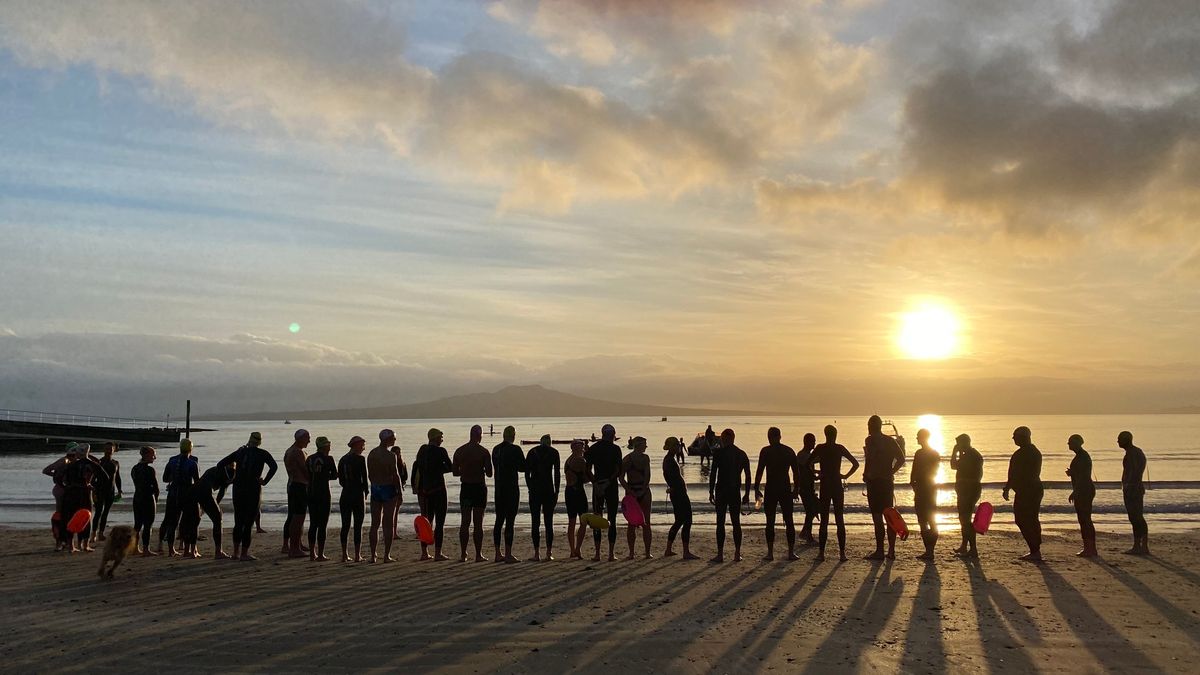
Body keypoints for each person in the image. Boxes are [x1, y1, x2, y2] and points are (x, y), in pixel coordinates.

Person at [217, 431, 279, 561]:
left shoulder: (239, 452)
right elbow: (274, 466)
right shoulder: (262, 453)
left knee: (238, 521)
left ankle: (235, 553)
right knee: (249, 522)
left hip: (238, 488)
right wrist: (265, 481)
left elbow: (220, 464)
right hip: (253, 488)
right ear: (260, 442)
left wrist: (230, 477)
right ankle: (244, 554)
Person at [807, 425, 860, 562]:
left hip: (826, 484)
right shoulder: (839, 448)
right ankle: (842, 554)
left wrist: (816, 474)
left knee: (824, 520)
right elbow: (855, 464)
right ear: (835, 435)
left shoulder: (820, 448)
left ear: (825, 434)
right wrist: (845, 475)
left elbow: (808, 463)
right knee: (839, 519)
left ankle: (821, 553)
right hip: (836, 484)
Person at [863, 415, 906, 561]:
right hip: (886, 482)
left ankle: (880, 550)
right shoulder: (890, 441)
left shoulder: (869, 440)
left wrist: (866, 473)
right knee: (889, 516)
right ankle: (891, 551)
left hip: (874, 482)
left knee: (877, 517)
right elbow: (901, 459)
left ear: (870, 426)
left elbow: (869, 459)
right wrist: (891, 471)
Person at [754, 427, 800, 561]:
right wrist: (796, 489)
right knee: (779, 520)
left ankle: (774, 553)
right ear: (779, 436)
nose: (771, 439)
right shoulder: (786, 451)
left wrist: (756, 488)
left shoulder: (768, 451)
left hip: (775, 488)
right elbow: (796, 473)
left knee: (778, 521)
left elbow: (759, 471)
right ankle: (781, 552)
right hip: (780, 488)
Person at [708, 428, 750, 563]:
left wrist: (711, 491)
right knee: (735, 522)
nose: (722, 441)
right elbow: (748, 476)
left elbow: (713, 474)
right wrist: (747, 493)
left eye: (723, 439)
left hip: (722, 491)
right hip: (734, 491)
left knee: (721, 523)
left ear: (726, 439)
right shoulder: (741, 454)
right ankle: (736, 554)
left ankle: (721, 554)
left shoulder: (719, 453)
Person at [452, 425, 493, 562]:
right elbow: (489, 473)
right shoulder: (483, 452)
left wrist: (466, 470)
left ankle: (463, 554)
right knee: (478, 522)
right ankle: (478, 554)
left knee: (465, 522)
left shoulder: (459, 451)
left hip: (466, 489)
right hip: (479, 489)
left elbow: (455, 472)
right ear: (479, 435)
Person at [1003, 426, 1043, 562]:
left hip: (1029, 490)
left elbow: (1021, 473)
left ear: (1023, 437)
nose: (1013, 439)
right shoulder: (1024, 452)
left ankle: (1035, 549)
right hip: (1027, 490)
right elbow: (1013, 473)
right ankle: (1035, 548)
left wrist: (1010, 486)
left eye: (1015, 436)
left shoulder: (1029, 453)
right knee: (1028, 519)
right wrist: (1008, 487)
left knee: (1025, 519)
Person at [60, 443, 108, 553]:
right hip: (85, 493)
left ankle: (71, 545)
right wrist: (93, 485)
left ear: (78, 452)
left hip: (71, 493)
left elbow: (61, 478)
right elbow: (105, 478)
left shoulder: (71, 465)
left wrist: (67, 486)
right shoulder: (92, 464)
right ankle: (84, 545)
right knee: (86, 517)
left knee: (71, 518)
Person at [586, 424, 623, 562]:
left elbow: (587, 470)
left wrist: (595, 483)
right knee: (612, 519)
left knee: (597, 518)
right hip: (610, 486)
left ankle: (597, 553)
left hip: (599, 485)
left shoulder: (594, 448)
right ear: (613, 435)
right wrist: (608, 482)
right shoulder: (615, 449)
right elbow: (618, 470)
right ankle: (610, 554)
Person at [414, 428, 452, 561]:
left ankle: (424, 553)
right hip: (439, 489)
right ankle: (437, 553)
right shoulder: (441, 451)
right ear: (435, 438)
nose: (442, 440)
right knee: (439, 523)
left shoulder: (422, 450)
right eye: (441, 437)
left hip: (425, 491)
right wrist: (439, 469)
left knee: (426, 522)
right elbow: (450, 467)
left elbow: (417, 466)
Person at [491, 426, 526, 564]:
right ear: (513, 436)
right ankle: (508, 554)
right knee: (510, 521)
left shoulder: (495, 449)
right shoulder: (515, 449)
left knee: (499, 520)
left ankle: (497, 553)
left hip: (498, 488)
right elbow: (522, 467)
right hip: (511, 488)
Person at [367, 429, 402, 563]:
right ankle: (386, 555)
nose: (395, 440)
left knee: (374, 523)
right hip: (388, 488)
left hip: (376, 488)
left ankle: (372, 555)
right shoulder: (390, 455)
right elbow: (395, 475)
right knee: (388, 523)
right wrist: (399, 491)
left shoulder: (372, 454)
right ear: (387, 439)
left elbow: (370, 474)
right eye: (393, 438)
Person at [159, 439, 198, 556]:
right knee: (188, 522)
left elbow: (165, 478)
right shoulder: (192, 463)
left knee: (172, 522)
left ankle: (171, 550)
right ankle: (187, 549)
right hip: (186, 494)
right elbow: (197, 482)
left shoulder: (172, 460)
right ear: (191, 448)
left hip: (173, 493)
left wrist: (174, 477)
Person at [525, 434, 561, 561]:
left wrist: (530, 487)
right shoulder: (554, 452)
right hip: (548, 490)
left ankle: (536, 553)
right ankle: (548, 553)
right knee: (548, 522)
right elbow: (557, 473)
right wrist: (557, 491)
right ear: (550, 442)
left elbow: (526, 473)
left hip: (535, 490)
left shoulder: (532, 452)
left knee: (535, 522)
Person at [191, 460, 235, 559]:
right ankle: (218, 551)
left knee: (195, 520)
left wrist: (214, 505)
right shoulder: (230, 473)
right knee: (218, 520)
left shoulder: (215, 469)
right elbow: (222, 492)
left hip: (194, 490)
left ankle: (191, 550)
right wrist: (217, 506)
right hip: (205, 491)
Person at [619, 436, 653, 560]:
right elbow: (622, 477)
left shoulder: (634, 458)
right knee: (636, 524)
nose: (646, 446)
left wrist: (632, 491)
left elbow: (621, 478)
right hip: (637, 492)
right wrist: (634, 491)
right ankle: (640, 553)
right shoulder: (630, 459)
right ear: (638, 445)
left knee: (642, 523)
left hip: (636, 491)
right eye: (644, 444)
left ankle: (637, 553)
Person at [662, 437, 696, 559]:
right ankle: (685, 551)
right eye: (676, 445)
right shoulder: (669, 460)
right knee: (687, 521)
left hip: (677, 493)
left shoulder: (670, 459)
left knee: (679, 521)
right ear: (671, 447)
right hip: (679, 494)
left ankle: (668, 549)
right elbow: (672, 478)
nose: (678, 447)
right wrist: (674, 488)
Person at [950, 433, 983, 557]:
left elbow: (954, 465)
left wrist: (955, 452)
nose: (957, 446)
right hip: (965, 489)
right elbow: (954, 466)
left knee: (966, 519)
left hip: (969, 489)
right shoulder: (967, 455)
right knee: (963, 518)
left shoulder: (972, 455)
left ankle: (973, 548)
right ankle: (964, 545)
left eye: (958, 444)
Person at [910, 429, 940, 561]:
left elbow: (918, 470)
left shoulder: (927, 453)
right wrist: (913, 482)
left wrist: (915, 482)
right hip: (927, 487)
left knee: (926, 520)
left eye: (918, 437)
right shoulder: (929, 453)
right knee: (926, 520)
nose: (916, 438)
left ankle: (930, 550)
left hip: (926, 487)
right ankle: (929, 550)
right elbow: (914, 471)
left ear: (923, 438)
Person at [306, 436, 337, 562]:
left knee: (313, 523)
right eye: (328, 445)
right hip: (324, 492)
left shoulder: (309, 459)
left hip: (311, 492)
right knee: (322, 525)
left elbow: (306, 474)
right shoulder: (328, 459)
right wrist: (325, 475)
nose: (330, 447)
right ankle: (320, 554)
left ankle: (312, 553)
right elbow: (334, 475)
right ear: (324, 446)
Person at [338, 436, 369, 562]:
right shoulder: (360, 459)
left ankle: (344, 554)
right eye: (362, 446)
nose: (363, 448)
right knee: (358, 525)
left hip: (345, 493)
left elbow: (341, 480)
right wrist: (366, 492)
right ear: (356, 446)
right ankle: (357, 555)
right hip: (357, 494)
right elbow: (364, 478)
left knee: (345, 525)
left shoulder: (342, 459)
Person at [282, 429, 312, 558]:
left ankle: (295, 544)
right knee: (298, 518)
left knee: (294, 516)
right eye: (307, 438)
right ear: (300, 438)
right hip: (299, 485)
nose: (309, 441)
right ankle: (294, 548)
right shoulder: (298, 452)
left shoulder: (289, 450)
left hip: (292, 484)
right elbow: (305, 471)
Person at [1066, 434, 1097, 558]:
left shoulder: (1082, 457)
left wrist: (1076, 491)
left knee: (1085, 519)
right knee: (1084, 519)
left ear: (1077, 443)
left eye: (1070, 442)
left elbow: (1083, 477)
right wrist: (1072, 473)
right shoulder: (1081, 456)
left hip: (1084, 490)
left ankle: (1090, 548)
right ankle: (1089, 547)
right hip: (1084, 489)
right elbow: (1080, 473)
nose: (1068, 444)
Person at [1119, 431, 1149, 555]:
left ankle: (1139, 546)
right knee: (1137, 517)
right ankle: (1142, 546)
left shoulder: (1133, 453)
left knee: (1135, 517)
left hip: (1133, 489)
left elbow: (1135, 471)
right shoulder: (1135, 452)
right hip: (1134, 488)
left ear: (1126, 440)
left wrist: (1128, 485)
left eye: (1120, 439)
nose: (1118, 442)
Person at [43, 444, 77, 551]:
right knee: (61, 515)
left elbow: (47, 471)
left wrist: (57, 476)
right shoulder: (64, 461)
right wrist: (58, 476)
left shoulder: (71, 462)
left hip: (65, 490)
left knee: (67, 515)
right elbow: (46, 470)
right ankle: (59, 541)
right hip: (62, 490)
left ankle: (65, 540)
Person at [563, 440, 592, 559]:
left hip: (569, 491)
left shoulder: (568, 460)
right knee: (583, 521)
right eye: (583, 447)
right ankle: (577, 549)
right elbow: (586, 477)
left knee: (571, 522)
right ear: (577, 448)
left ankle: (572, 550)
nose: (584, 448)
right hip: (578, 492)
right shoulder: (581, 460)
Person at [130, 446, 160, 555]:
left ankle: (135, 547)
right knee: (148, 525)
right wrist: (156, 499)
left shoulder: (134, 468)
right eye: (153, 455)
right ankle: (146, 549)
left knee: (137, 524)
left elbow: (137, 484)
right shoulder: (150, 470)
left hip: (137, 497)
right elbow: (156, 488)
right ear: (146, 455)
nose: (154, 457)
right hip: (148, 498)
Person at [92, 442, 122, 543]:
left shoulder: (115, 463)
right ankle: (93, 535)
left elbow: (117, 477)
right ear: (104, 449)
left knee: (105, 513)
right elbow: (93, 478)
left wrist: (120, 490)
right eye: (107, 448)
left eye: (111, 449)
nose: (109, 450)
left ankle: (101, 533)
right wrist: (93, 491)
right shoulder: (99, 462)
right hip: (100, 490)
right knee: (98, 512)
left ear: (114, 450)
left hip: (111, 491)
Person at [794, 433, 819, 544]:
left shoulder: (807, 455)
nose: (814, 443)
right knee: (811, 510)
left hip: (809, 487)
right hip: (805, 487)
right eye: (813, 441)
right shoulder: (802, 455)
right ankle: (808, 536)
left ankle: (805, 531)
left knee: (813, 509)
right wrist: (815, 476)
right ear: (807, 442)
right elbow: (805, 470)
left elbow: (811, 466)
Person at [390, 445, 409, 540]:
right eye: (395, 453)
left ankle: (394, 532)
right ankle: (390, 532)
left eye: (398, 453)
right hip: (390, 489)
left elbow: (405, 477)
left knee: (395, 512)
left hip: (398, 489)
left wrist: (402, 485)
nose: (397, 455)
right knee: (389, 512)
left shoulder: (402, 464)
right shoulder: (389, 464)